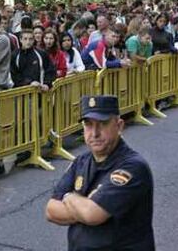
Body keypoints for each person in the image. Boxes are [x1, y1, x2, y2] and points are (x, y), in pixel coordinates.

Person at [46, 95, 155, 251]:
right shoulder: (81, 162)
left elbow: (92, 214)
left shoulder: (132, 167)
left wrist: (68, 197)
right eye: (88, 125)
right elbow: (51, 210)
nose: (94, 133)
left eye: (103, 124)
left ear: (119, 126)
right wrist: (82, 205)